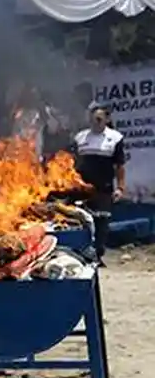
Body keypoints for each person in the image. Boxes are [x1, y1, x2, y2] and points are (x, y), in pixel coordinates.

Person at [72, 105, 126, 261]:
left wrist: (120, 188)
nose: (95, 122)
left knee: (101, 222)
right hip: (82, 189)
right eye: (92, 119)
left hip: (104, 188)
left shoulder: (115, 138)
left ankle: (98, 254)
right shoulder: (80, 138)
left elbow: (120, 166)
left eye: (99, 119)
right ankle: (82, 253)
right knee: (81, 221)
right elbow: (71, 163)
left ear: (107, 120)